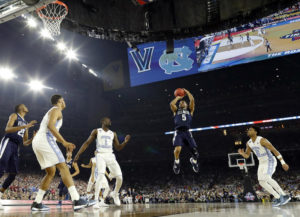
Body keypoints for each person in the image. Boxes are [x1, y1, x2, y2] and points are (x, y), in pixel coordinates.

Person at [31, 95, 88, 211]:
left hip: (38, 142)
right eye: (63, 100)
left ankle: (37, 202)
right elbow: (51, 126)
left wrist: (64, 142)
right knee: (63, 167)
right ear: (60, 101)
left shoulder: (52, 111)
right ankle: (77, 200)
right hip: (45, 139)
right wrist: (64, 142)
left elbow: (50, 129)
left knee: (51, 172)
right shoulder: (56, 109)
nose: (64, 102)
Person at [74, 117, 130, 207]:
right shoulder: (96, 131)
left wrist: (125, 142)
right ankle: (96, 201)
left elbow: (118, 148)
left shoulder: (113, 133)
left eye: (110, 120)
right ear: (103, 122)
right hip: (100, 155)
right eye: (108, 120)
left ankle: (115, 193)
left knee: (120, 177)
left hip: (110, 155)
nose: (110, 121)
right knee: (100, 175)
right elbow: (87, 143)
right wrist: (78, 154)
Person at [238, 126, 291, 207]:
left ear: (256, 132)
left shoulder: (262, 140)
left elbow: (274, 150)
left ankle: (284, 195)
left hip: (270, 160)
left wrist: (283, 162)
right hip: (261, 162)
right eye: (248, 130)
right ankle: (277, 197)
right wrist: (242, 154)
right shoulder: (248, 143)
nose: (248, 131)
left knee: (266, 177)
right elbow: (247, 155)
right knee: (261, 181)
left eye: (250, 130)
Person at [0, 104, 36, 209]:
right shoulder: (14, 115)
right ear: (20, 108)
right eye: (24, 105)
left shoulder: (26, 123)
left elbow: (25, 142)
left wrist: (33, 138)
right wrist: (25, 126)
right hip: (8, 142)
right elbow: (7, 129)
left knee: (13, 174)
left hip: (16, 147)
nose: (26, 106)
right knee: (1, 167)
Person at [170, 89, 199, 174]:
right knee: (177, 150)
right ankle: (177, 162)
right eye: (180, 103)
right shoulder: (176, 111)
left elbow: (192, 100)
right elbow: (171, 104)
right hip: (178, 132)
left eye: (183, 102)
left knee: (196, 154)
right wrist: (178, 97)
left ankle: (194, 162)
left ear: (186, 104)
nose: (181, 103)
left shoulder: (190, 110)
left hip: (187, 132)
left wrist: (188, 92)